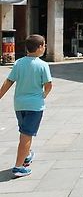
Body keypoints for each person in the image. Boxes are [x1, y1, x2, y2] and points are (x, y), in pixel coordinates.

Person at [0, 35, 52, 177]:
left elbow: (9, 81)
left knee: (24, 131)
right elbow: (48, 85)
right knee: (26, 135)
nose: (45, 47)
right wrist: (44, 95)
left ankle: (27, 154)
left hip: (19, 105)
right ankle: (18, 167)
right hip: (35, 106)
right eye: (44, 45)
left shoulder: (18, 63)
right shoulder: (42, 65)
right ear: (40, 47)